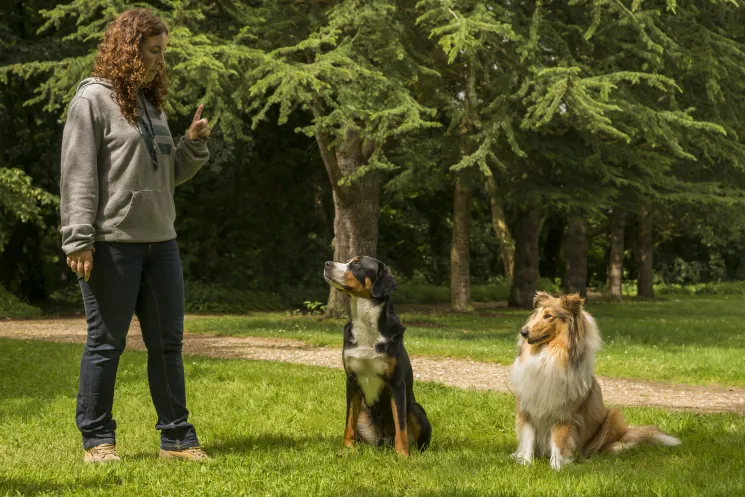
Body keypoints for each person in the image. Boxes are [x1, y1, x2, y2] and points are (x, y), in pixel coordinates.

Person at [60, 8, 211, 463]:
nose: (159, 61)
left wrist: (193, 143)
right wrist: (78, 237)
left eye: (164, 52)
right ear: (129, 50)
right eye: (153, 51)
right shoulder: (92, 100)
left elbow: (165, 175)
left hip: (161, 242)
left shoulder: (151, 103)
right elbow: (78, 174)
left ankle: (177, 440)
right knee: (106, 344)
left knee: (168, 344)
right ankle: (98, 440)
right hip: (110, 244)